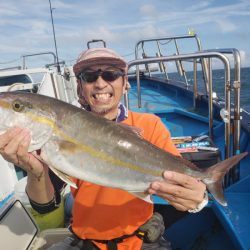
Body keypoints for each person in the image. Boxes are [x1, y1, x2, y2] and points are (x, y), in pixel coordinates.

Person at [0, 48, 207, 250]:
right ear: (80, 87)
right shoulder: (48, 141)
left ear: (125, 83)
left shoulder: (150, 126)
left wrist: (198, 198)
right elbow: (45, 205)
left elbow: (185, 186)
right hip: (83, 242)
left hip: (140, 241)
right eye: (89, 76)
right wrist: (34, 171)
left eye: (111, 74)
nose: (100, 83)